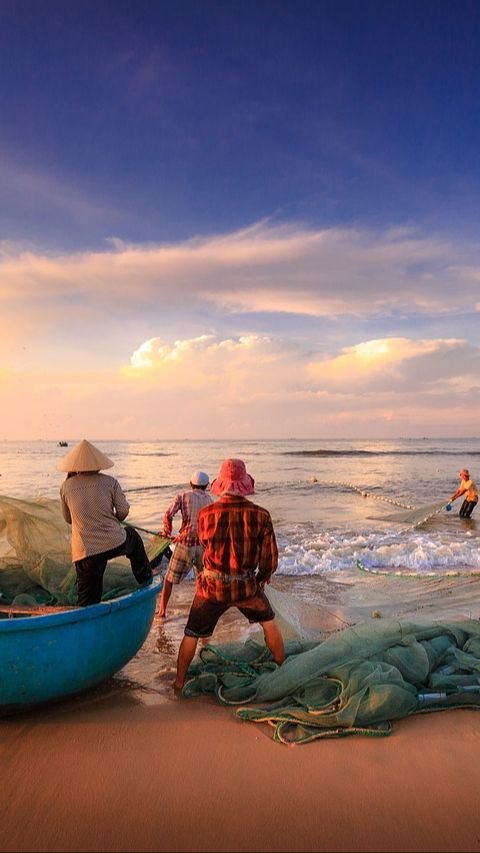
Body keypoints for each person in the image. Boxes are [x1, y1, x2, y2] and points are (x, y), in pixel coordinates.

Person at [174, 458, 285, 692]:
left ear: (221, 485)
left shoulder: (205, 515)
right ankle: (283, 672)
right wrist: (261, 579)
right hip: (246, 586)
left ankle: (179, 682)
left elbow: (205, 546)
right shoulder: (261, 515)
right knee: (269, 624)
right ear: (245, 485)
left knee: (191, 633)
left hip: (211, 588)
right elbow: (270, 559)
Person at [58, 439, 152, 606]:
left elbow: (67, 519)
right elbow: (123, 512)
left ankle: (86, 624)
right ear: (98, 464)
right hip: (114, 542)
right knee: (133, 539)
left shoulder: (66, 487)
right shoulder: (110, 482)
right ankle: (145, 579)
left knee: (87, 598)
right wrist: (112, 516)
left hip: (85, 550)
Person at [157, 470, 213, 618]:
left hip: (185, 544)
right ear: (206, 486)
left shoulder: (183, 496)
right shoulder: (210, 501)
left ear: (190, 484)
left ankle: (162, 611)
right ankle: (202, 610)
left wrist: (167, 532)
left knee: (169, 579)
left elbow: (168, 514)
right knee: (202, 579)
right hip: (202, 546)